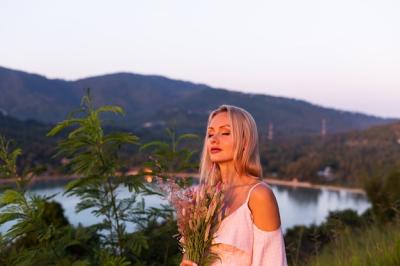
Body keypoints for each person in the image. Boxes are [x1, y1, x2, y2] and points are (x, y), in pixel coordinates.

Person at [180, 105, 287, 266]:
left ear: (245, 141)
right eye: (210, 134)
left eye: (225, 133)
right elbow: (189, 257)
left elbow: (272, 261)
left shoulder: (259, 195)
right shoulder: (202, 197)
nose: (214, 139)